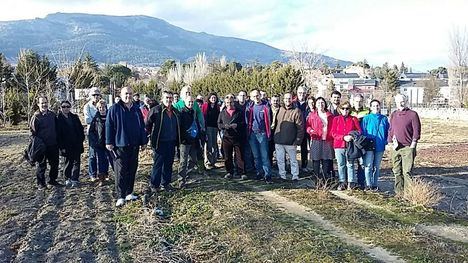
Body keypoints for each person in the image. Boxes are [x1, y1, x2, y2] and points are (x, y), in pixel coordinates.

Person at [106, 86, 148, 207]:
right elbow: (109, 125)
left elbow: (141, 126)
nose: (128, 96)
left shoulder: (136, 109)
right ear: (121, 94)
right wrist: (109, 142)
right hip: (120, 145)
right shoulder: (114, 109)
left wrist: (143, 141)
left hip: (134, 144)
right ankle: (120, 196)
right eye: (126, 94)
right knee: (121, 171)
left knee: (132, 169)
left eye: (130, 94)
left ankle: (129, 192)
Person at [146, 90, 180, 192]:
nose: (169, 100)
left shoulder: (175, 112)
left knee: (169, 164)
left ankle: (166, 183)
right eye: (167, 98)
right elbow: (147, 124)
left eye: (170, 98)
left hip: (171, 141)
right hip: (159, 142)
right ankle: (154, 184)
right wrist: (149, 136)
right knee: (158, 164)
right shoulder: (156, 110)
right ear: (162, 99)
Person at [388, 94, 421, 196]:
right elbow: (391, 129)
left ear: (406, 101)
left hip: (407, 147)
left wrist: (413, 145)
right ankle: (399, 193)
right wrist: (389, 142)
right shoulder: (394, 114)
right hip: (395, 147)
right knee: (397, 171)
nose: (400, 103)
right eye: (398, 101)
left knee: (407, 172)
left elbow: (417, 130)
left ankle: (409, 194)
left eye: (402, 101)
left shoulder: (413, 114)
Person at [30, 96, 62, 189]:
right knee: (41, 166)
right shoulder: (36, 117)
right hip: (42, 146)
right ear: (38, 104)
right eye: (42, 103)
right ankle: (41, 184)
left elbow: (57, 128)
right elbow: (32, 133)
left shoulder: (52, 115)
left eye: (45, 102)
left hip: (53, 144)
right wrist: (36, 145)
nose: (44, 104)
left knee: (54, 164)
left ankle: (52, 180)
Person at [331, 101, 362, 190]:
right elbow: (333, 133)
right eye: (343, 108)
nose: (345, 110)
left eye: (347, 108)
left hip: (350, 145)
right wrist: (343, 137)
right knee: (341, 164)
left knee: (350, 164)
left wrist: (351, 136)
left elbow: (359, 131)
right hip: (339, 145)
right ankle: (342, 181)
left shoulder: (353, 119)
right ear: (340, 109)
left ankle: (351, 182)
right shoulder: (336, 119)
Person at [274, 93, 304, 181]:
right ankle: (282, 175)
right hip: (279, 140)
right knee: (280, 160)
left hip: (291, 141)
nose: (287, 100)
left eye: (289, 98)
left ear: (292, 99)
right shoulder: (279, 109)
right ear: (283, 99)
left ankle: (295, 176)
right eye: (286, 98)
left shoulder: (296, 111)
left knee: (293, 161)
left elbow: (300, 127)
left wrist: (298, 140)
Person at [178, 95, 206, 188]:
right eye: (189, 102)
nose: (190, 103)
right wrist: (183, 137)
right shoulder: (181, 112)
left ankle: (187, 173)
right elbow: (180, 127)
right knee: (183, 161)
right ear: (185, 102)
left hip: (193, 140)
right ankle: (181, 180)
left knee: (193, 159)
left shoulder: (193, 111)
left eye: (192, 102)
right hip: (184, 141)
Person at [361, 99, 389, 191]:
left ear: (380, 107)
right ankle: (368, 184)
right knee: (368, 165)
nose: (376, 107)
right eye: (373, 106)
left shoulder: (384, 119)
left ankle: (375, 184)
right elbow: (363, 131)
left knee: (376, 166)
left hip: (380, 145)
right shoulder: (366, 118)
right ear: (370, 107)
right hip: (369, 145)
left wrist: (385, 141)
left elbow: (387, 131)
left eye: (377, 105)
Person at [57, 100, 85, 188]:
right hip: (66, 145)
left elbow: (80, 129)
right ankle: (67, 178)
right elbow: (58, 134)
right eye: (63, 107)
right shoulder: (58, 119)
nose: (66, 108)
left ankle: (75, 179)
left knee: (77, 162)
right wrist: (61, 147)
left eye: (67, 106)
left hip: (76, 143)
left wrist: (81, 139)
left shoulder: (74, 117)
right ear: (60, 108)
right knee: (68, 162)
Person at [246, 89, 272, 183]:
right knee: (256, 156)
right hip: (252, 134)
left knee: (264, 155)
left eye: (257, 95)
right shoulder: (250, 107)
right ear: (251, 97)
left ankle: (267, 174)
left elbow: (269, 120)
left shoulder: (265, 107)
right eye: (253, 96)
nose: (256, 98)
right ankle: (259, 173)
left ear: (260, 96)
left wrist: (268, 132)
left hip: (262, 133)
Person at [306, 97, 334, 182]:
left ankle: (325, 177)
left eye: (322, 103)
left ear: (325, 104)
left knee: (326, 159)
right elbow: (307, 126)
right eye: (318, 103)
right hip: (316, 139)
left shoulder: (330, 115)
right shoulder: (312, 115)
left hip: (327, 140)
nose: (320, 104)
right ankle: (316, 177)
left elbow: (333, 127)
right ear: (316, 104)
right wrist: (310, 130)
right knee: (316, 159)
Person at [218, 95, 246, 179]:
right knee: (227, 156)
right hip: (227, 137)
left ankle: (242, 172)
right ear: (225, 103)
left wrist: (237, 125)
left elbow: (244, 123)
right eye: (227, 103)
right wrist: (224, 126)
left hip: (237, 137)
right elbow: (219, 124)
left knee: (240, 156)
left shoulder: (239, 111)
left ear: (234, 102)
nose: (229, 104)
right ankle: (229, 172)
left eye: (231, 102)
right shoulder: (222, 113)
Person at [89, 100, 113, 185]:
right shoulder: (96, 119)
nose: (102, 109)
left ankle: (108, 175)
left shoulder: (110, 117)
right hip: (99, 143)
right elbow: (91, 131)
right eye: (100, 107)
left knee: (109, 159)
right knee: (101, 160)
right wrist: (95, 141)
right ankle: (101, 178)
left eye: (103, 107)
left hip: (109, 142)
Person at [351, 94, 369, 189]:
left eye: (360, 101)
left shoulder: (367, 112)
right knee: (351, 162)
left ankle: (361, 182)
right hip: (352, 140)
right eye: (356, 101)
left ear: (363, 102)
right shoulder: (349, 111)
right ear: (353, 101)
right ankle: (351, 182)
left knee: (361, 162)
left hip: (362, 140)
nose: (358, 103)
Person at [83, 87, 101, 181]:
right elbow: (88, 120)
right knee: (92, 154)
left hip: (102, 133)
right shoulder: (87, 106)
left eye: (97, 94)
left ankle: (102, 174)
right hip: (92, 133)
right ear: (90, 96)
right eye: (94, 95)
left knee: (102, 154)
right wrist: (98, 120)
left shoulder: (102, 105)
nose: (96, 96)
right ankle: (92, 174)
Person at [201, 93, 220, 169]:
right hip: (208, 127)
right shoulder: (205, 106)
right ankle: (208, 162)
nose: (213, 99)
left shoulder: (217, 107)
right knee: (209, 144)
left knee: (214, 144)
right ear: (209, 98)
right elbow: (203, 116)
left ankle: (214, 161)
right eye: (212, 98)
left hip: (215, 127)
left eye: (214, 98)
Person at [294, 86, 310, 173]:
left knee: (304, 149)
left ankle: (304, 165)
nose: (302, 95)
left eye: (303, 93)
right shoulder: (294, 103)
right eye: (300, 93)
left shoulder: (309, 103)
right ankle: (293, 166)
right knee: (293, 149)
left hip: (305, 129)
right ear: (297, 93)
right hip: (295, 129)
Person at [269, 94, 281, 165]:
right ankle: (270, 163)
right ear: (271, 101)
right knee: (269, 148)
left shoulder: (281, 109)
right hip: (269, 131)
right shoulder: (267, 109)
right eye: (274, 100)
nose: (275, 102)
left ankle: (280, 164)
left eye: (277, 101)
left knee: (279, 149)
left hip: (278, 130)